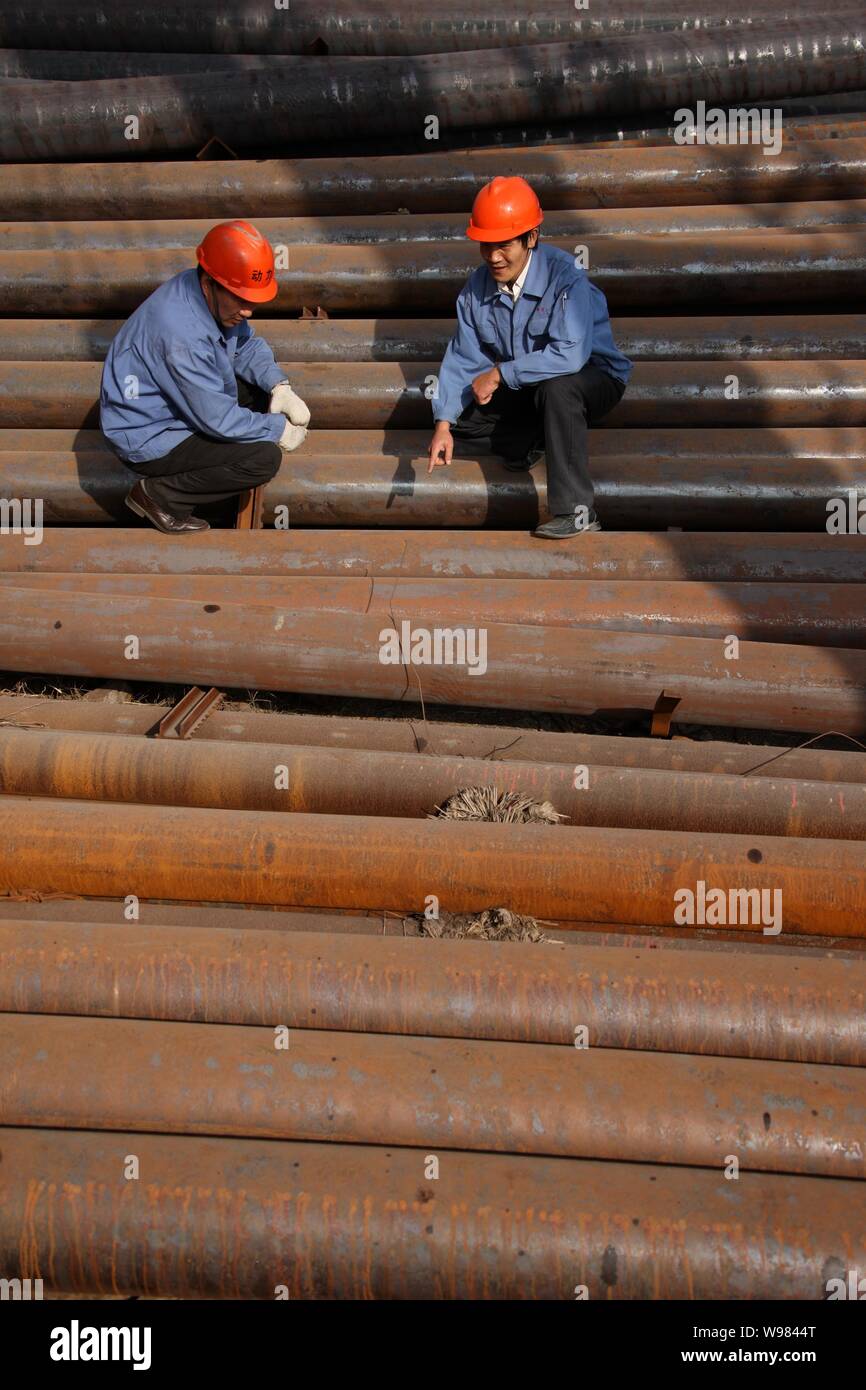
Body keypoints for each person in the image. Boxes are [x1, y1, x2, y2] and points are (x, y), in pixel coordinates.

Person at [427, 176, 632, 538]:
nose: (493, 257)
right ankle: (536, 438)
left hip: (589, 377)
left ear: (531, 238)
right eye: (485, 245)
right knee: (462, 416)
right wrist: (443, 425)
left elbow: (570, 355)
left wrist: (500, 374)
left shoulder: (566, 277)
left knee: (559, 389)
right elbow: (463, 357)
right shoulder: (477, 287)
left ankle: (576, 512)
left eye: (503, 245)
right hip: (528, 384)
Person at [100, 219, 309, 534]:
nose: (248, 311)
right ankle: (159, 496)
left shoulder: (205, 291)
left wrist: (278, 385)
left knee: (260, 394)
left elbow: (245, 345)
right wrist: (276, 429)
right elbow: (217, 419)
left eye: (252, 301)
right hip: (147, 434)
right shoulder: (180, 335)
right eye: (241, 299)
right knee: (262, 459)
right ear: (211, 281)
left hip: (173, 401)